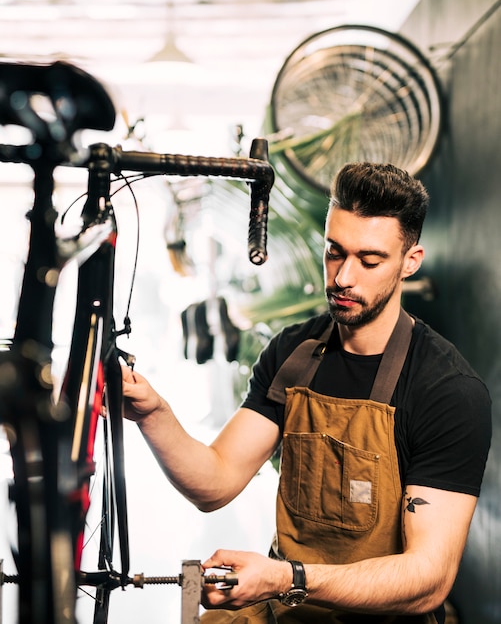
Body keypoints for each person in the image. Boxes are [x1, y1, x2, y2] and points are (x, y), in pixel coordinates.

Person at [122, 162, 492, 624]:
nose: (342, 277)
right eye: (334, 252)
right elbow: (213, 483)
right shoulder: (293, 354)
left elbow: (427, 579)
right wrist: (153, 414)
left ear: (410, 261)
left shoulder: (447, 390)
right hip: (287, 608)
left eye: (369, 261)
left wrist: (286, 578)